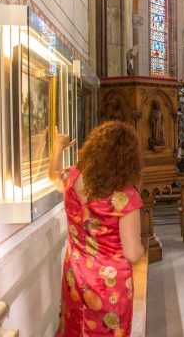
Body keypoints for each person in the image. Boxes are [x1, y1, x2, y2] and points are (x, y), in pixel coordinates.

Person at [49, 121, 144, 336]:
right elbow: (132, 252)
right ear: (128, 160)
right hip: (109, 283)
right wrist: (141, 250)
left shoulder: (71, 178)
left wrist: (57, 147)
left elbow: (53, 174)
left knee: (76, 324)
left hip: (76, 272)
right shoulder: (125, 198)